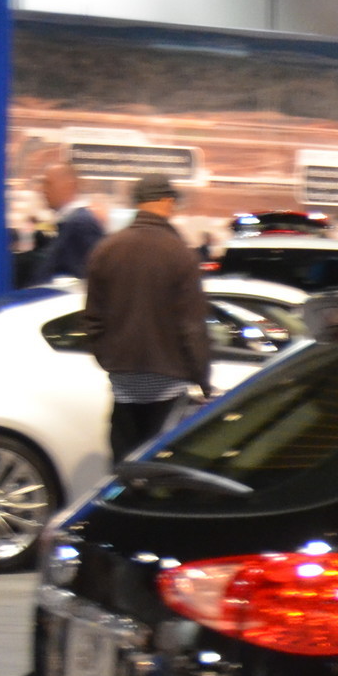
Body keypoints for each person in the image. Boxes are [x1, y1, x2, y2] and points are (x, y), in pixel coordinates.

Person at [83, 176, 211, 462]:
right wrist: (203, 380)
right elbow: (192, 327)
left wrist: (110, 361)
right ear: (166, 201)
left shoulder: (106, 250)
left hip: (123, 385)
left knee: (123, 472)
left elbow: (93, 318)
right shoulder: (180, 254)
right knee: (160, 472)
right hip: (169, 388)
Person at [28, 164, 104, 287]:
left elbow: (87, 278)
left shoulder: (81, 225)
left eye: (48, 183)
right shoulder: (67, 223)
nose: (43, 190)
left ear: (68, 185)